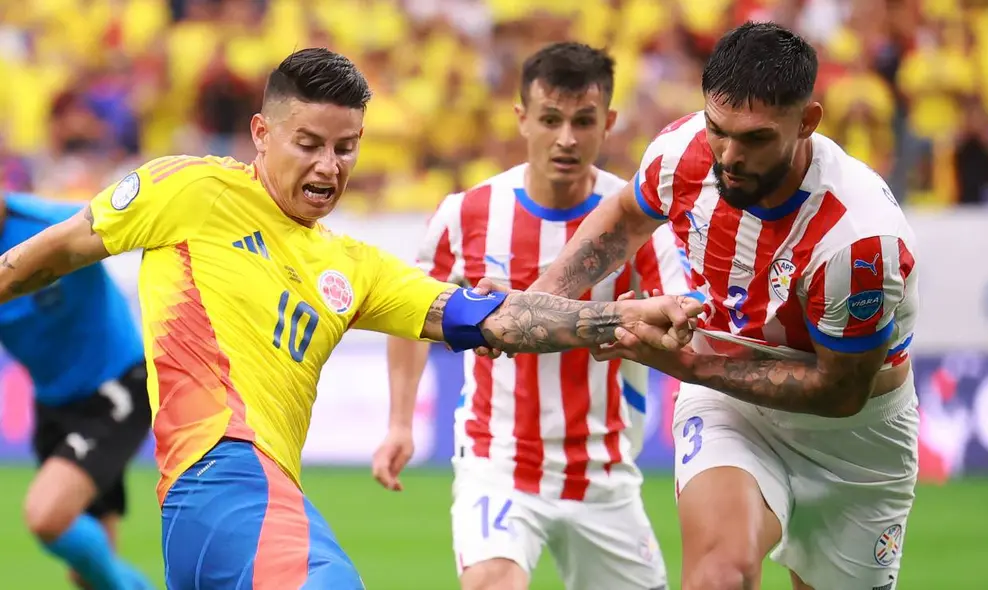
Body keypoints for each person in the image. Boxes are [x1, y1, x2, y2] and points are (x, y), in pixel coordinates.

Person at [0, 48, 700, 589]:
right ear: (261, 132)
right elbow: (45, 256)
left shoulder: (357, 268)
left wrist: (615, 320)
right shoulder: (187, 189)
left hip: (224, 508)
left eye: (346, 147)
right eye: (308, 143)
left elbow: (498, 318)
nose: (330, 167)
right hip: (228, 477)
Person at [521, 22, 919, 590]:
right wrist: (535, 303)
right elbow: (627, 218)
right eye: (718, 129)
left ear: (807, 121)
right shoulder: (684, 152)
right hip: (730, 404)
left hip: (854, 440)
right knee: (720, 575)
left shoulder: (857, 243)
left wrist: (685, 363)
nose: (729, 156)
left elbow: (839, 391)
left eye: (755, 139)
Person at [376, 42, 687, 590]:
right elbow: (410, 311)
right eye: (550, 119)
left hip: (603, 471)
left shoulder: (635, 220)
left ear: (608, 122)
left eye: (583, 121)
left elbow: (678, 323)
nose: (566, 138)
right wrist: (401, 422)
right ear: (522, 118)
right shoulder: (467, 212)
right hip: (497, 462)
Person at [0, 192, 153, 590]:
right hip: (53, 404)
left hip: (117, 386)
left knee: (47, 516)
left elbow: (140, 224)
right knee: (88, 575)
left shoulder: (51, 223)